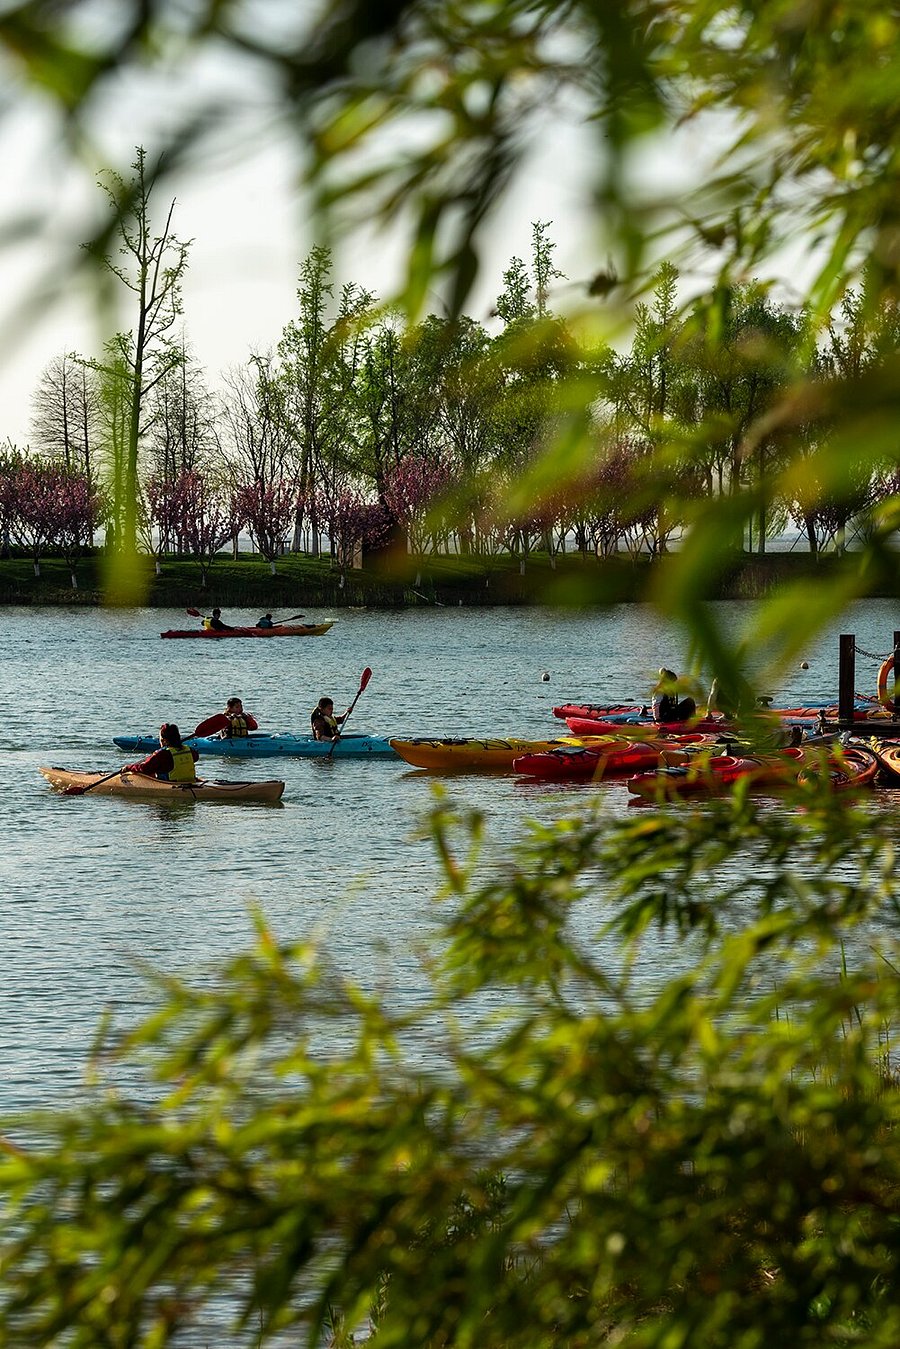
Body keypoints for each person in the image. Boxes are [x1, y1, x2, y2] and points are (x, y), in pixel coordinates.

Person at [125, 724, 199, 781]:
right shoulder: (191, 751)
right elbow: (196, 757)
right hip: (191, 782)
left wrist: (129, 767)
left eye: (160, 738)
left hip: (172, 784)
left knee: (150, 772)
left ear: (164, 740)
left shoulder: (162, 754)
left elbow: (145, 769)